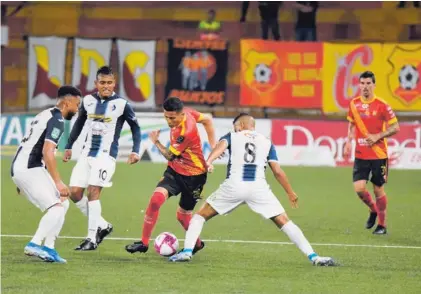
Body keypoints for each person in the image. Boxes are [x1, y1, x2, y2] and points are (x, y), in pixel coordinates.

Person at [169, 113, 336, 266]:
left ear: (240, 125)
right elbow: (277, 171)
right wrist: (290, 192)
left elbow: (219, 147)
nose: (234, 129)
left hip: (234, 186)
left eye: (235, 126)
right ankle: (314, 257)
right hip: (259, 188)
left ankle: (187, 252)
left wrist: (209, 161)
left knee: (199, 217)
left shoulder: (232, 136)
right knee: (285, 222)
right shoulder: (267, 141)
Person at [63, 66, 141, 250]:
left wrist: (135, 150)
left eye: (109, 83)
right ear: (96, 83)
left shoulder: (122, 104)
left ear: (114, 83)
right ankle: (104, 225)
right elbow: (80, 123)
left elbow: (136, 128)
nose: (106, 86)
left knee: (93, 192)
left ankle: (91, 239)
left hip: (106, 156)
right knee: (74, 193)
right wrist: (69, 145)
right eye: (102, 83)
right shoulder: (88, 101)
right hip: (86, 154)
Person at [125, 97, 216, 255]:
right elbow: (207, 119)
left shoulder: (186, 131)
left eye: (172, 118)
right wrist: (213, 146)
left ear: (181, 115)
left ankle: (197, 244)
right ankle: (144, 243)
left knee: (182, 216)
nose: (168, 121)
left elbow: (169, 155)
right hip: (174, 171)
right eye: (166, 116)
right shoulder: (188, 112)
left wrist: (156, 141)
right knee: (155, 200)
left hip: (194, 177)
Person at [11, 85, 81, 263]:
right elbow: (47, 152)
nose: (78, 108)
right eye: (77, 104)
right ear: (67, 102)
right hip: (30, 168)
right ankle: (34, 244)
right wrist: (58, 182)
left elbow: (27, 143)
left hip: (23, 167)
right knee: (56, 207)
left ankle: (49, 248)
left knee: (63, 204)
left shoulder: (44, 114)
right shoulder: (56, 120)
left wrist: (19, 179)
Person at [344, 71, 399, 235]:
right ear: (359, 85)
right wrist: (348, 141)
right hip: (361, 154)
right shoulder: (354, 104)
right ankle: (373, 209)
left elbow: (395, 127)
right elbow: (352, 124)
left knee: (378, 190)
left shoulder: (382, 105)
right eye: (362, 83)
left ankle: (382, 225)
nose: (365, 86)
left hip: (378, 155)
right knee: (359, 189)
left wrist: (377, 136)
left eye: (368, 83)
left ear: (374, 85)